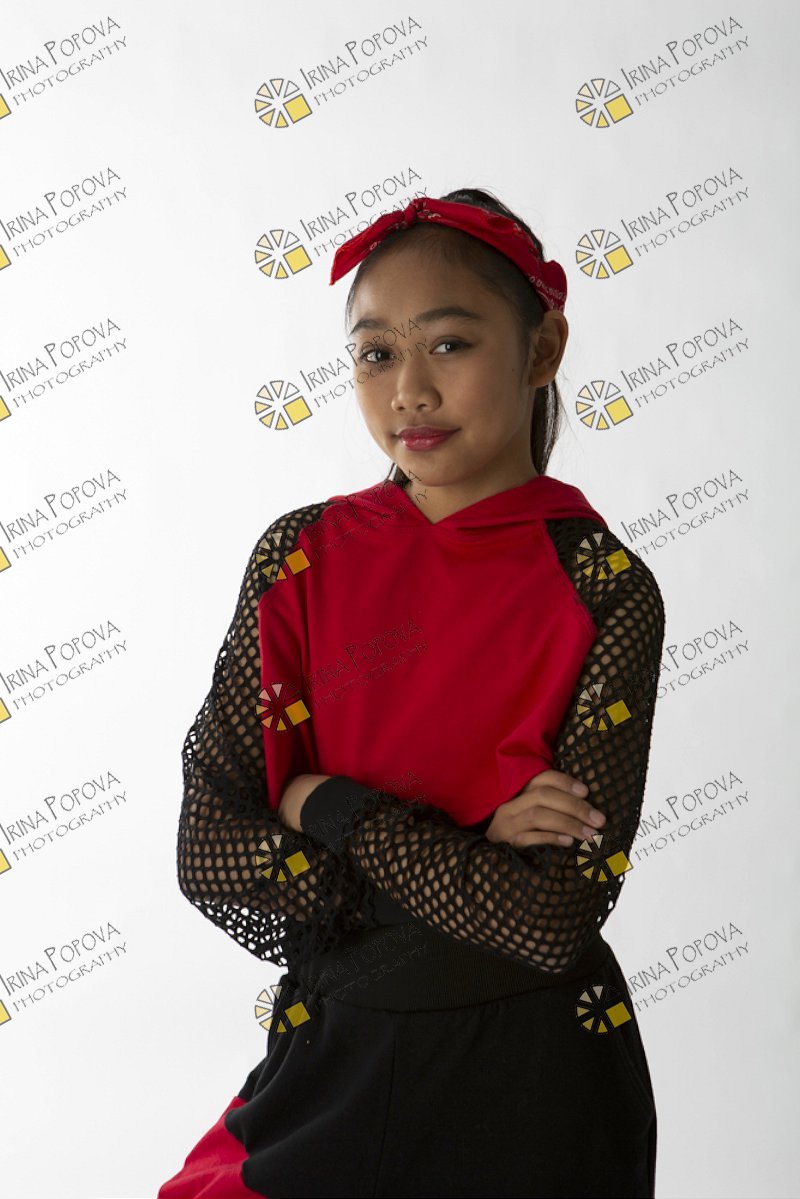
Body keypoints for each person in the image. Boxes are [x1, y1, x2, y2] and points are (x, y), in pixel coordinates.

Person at [157, 188, 666, 1199]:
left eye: (448, 344)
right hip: (330, 1061)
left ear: (541, 349)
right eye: (376, 353)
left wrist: (320, 803)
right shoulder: (299, 557)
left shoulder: (604, 587)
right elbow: (207, 846)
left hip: (532, 1083)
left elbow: (549, 919)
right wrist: (473, 851)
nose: (409, 391)